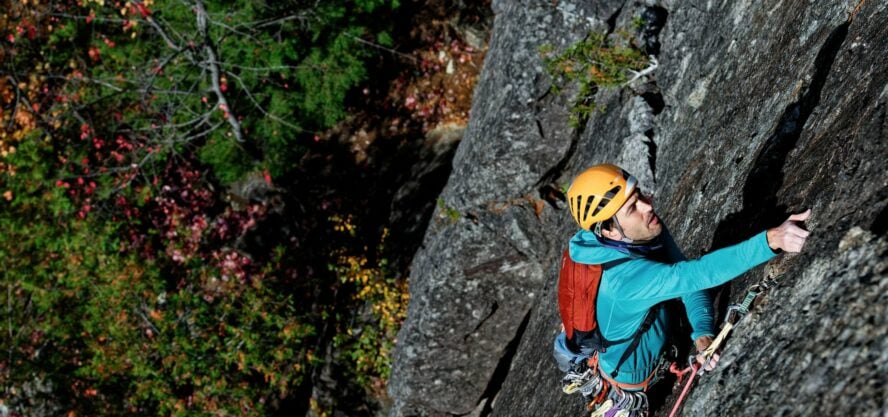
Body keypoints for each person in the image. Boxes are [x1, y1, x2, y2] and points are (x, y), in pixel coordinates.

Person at [552, 164, 811, 416]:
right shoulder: (623, 282)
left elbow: (686, 278)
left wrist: (702, 332)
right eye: (632, 207)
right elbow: (697, 274)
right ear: (609, 231)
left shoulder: (632, 231)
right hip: (632, 380)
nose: (648, 205)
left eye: (639, 194)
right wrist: (772, 240)